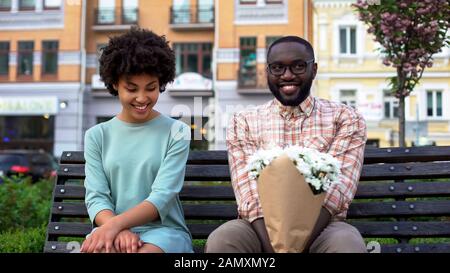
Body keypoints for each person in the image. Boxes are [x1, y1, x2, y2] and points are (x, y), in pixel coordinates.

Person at [206, 36, 368, 253]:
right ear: (267, 72)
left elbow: (337, 190)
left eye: (298, 66)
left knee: (346, 244)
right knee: (224, 240)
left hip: (325, 227)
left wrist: (295, 244)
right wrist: (278, 249)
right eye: (278, 68)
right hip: (258, 228)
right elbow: (248, 194)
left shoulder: (346, 118)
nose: (288, 75)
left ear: (314, 69)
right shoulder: (243, 121)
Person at [80, 27, 193, 253]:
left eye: (151, 88)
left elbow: (162, 197)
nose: (142, 98)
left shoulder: (177, 132)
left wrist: (116, 227)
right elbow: (97, 197)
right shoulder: (97, 136)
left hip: (163, 232)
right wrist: (117, 230)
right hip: (110, 228)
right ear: (114, 84)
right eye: (131, 89)